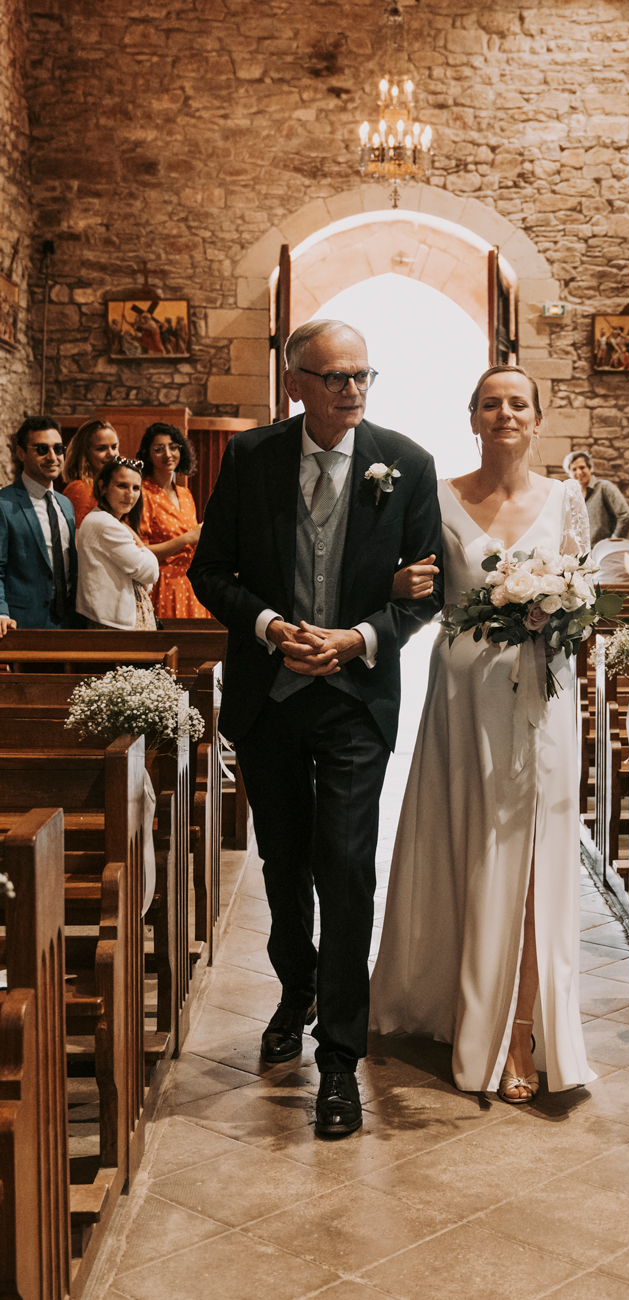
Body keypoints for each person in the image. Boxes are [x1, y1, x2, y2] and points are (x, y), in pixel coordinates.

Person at [189, 318, 443, 1140]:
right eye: (333, 377)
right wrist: (268, 626)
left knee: (346, 865)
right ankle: (293, 990)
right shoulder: (253, 459)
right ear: (294, 381)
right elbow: (208, 570)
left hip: (355, 702)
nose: (351, 390)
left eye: (363, 375)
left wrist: (359, 637)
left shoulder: (404, 463)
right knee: (283, 862)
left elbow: (426, 590)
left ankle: (339, 1058)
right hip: (270, 697)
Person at [370, 365, 596, 1104]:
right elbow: (412, 586)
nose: (505, 413)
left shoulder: (566, 498)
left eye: (518, 403)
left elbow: (585, 601)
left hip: (541, 696)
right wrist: (397, 587)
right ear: (472, 417)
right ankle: (456, 1003)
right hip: (461, 696)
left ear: (539, 417)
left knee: (535, 860)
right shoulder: (438, 497)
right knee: (467, 845)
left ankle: (523, 1029)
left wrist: (561, 610)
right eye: (491, 403)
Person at [0, 417, 77, 637]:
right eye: (42, 449)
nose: (52, 457)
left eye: (58, 448)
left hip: (68, 623)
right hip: (22, 623)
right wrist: (1, 612)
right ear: (21, 453)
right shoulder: (4, 504)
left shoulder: (65, 504)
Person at [76, 457, 159, 630]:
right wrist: (138, 542)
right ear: (103, 487)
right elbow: (150, 573)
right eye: (122, 486)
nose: (130, 495)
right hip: (111, 628)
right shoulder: (105, 523)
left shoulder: (111, 522)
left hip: (116, 625)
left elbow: (146, 584)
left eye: (136, 488)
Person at [138, 422, 210, 619]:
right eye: (159, 449)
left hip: (191, 583)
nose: (168, 454)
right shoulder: (142, 494)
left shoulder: (185, 494)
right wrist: (187, 538)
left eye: (173, 447)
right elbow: (141, 552)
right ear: (148, 454)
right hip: (163, 584)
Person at [564, 449, 629, 545]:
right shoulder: (571, 495)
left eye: (582, 467)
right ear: (569, 474)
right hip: (581, 553)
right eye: (574, 469)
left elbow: (626, 516)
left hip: (602, 551)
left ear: (590, 468)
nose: (579, 472)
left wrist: (612, 543)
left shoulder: (604, 487)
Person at [61, 419, 119, 527]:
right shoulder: (80, 489)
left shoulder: (109, 489)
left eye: (114, 447)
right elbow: (78, 539)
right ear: (84, 454)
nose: (111, 454)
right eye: (101, 449)